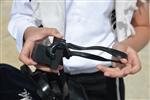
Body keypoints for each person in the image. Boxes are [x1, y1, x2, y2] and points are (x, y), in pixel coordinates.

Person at [8, 0, 149, 100]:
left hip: (105, 78)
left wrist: (123, 48)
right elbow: (20, 15)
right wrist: (28, 31)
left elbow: (142, 25)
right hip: (48, 75)